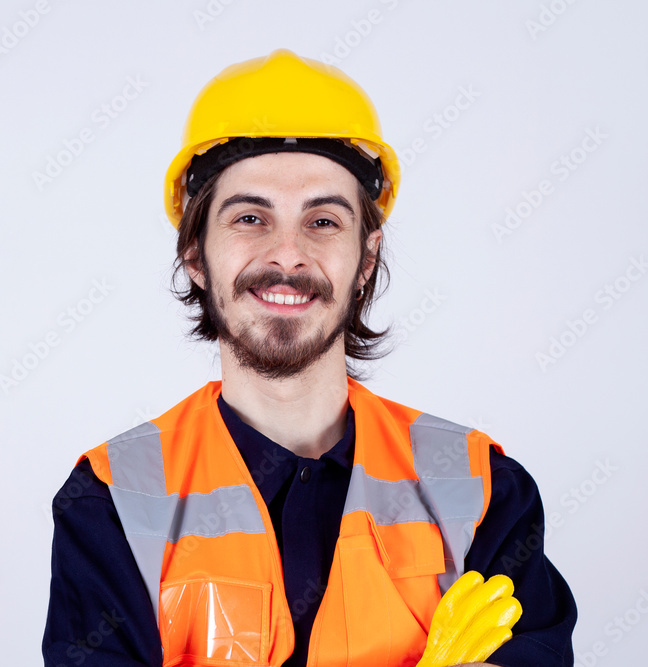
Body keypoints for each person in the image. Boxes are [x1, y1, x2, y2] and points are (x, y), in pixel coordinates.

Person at [42, 50, 576, 667]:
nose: (287, 254)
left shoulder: (483, 489)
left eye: (322, 220)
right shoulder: (111, 499)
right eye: (250, 217)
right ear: (195, 252)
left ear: (366, 258)